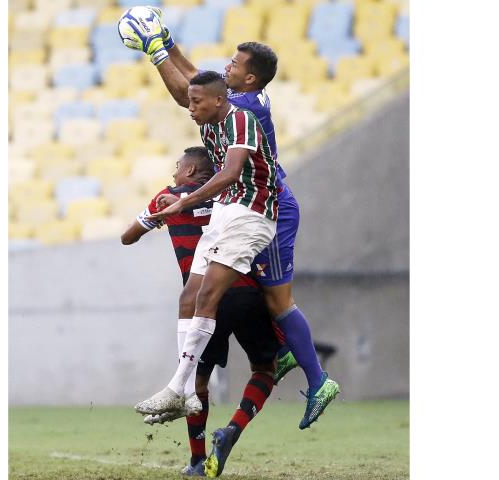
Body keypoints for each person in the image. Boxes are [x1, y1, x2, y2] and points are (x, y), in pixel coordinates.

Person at [122, 10, 340, 429]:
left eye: (235, 65)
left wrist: (155, 53)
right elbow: (200, 84)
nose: (228, 66)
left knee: (276, 301)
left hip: (265, 204)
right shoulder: (235, 98)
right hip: (237, 202)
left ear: (247, 81)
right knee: (209, 294)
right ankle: (271, 362)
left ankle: (313, 377)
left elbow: (189, 93)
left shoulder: (241, 110)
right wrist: (168, 44)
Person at [121, 147, 280, 477]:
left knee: (198, 383)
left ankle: (196, 460)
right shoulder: (229, 195)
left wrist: (159, 216)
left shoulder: (169, 197)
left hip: (203, 304)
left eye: (178, 167)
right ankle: (233, 428)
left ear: (191, 171)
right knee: (265, 369)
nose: (174, 173)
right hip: (245, 294)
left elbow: (128, 237)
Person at [133, 71, 279, 423]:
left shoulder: (239, 119)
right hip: (226, 213)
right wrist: (159, 55)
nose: (190, 106)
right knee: (189, 298)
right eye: (190, 100)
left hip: (251, 214)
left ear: (218, 99)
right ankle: (183, 394)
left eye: (197, 101)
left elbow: (229, 174)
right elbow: (184, 91)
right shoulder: (208, 128)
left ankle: (177, 388)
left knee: (208, 297)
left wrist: (184, 203)